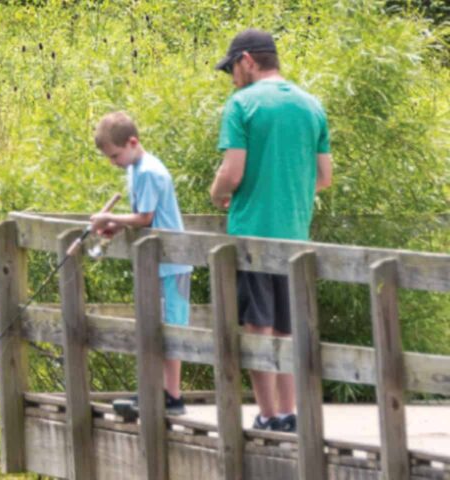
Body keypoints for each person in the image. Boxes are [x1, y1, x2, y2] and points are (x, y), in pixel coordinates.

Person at [210, 29, 333, 432]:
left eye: (232, 68)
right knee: (287, 324)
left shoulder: (242, 104)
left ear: (247, 60)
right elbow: (324, 177)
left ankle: (267, 414)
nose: (232, 78)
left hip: (253, 234)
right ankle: (289, 412)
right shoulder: (311, 105)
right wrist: (285, 190)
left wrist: (217, 193)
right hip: (296, 235)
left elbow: (233, 171)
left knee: (257, 324)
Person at [90, 111, 192, 416]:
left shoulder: (149, 171)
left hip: (172, 263)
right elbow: (143, 218)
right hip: (154, 263)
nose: (114, 162)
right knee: (152, 326)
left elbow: (145, 218)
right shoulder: (135, 169)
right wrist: (117, 226)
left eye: (115, 155)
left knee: (171, 327)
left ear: (133, 142)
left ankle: (171, 396)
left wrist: (109, 217)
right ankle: (154, 390)